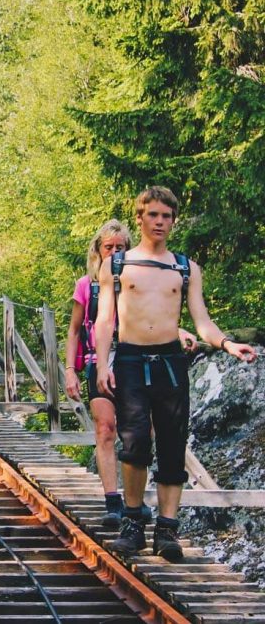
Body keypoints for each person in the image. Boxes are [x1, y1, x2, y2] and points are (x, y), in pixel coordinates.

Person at [95, 187, 257, 561]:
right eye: (152, 215)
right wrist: (103, 363)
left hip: (170, 360)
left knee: (171, 444)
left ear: (173, 221)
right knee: (134, 442)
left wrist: (228, 344)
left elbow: (201, 321)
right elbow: (105, 320)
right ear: (140, 218)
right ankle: (133, 523)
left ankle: (166, 530)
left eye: (166, 217)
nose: (159, 222)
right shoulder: (118, 265)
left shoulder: (185, 267)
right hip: (131, 359)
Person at [64, 220, 197, 528]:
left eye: (119, 247)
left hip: (135, 359)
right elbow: (73, 331)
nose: (114, 252)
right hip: (101, 358)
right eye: (108, 247)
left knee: (141, 434)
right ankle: (113, 501)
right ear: (97, 251)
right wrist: (71, 369)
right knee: (106, 428)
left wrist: (178, 330)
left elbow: (154, 315)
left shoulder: (137, 276)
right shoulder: (87, 285)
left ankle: (133, 503)